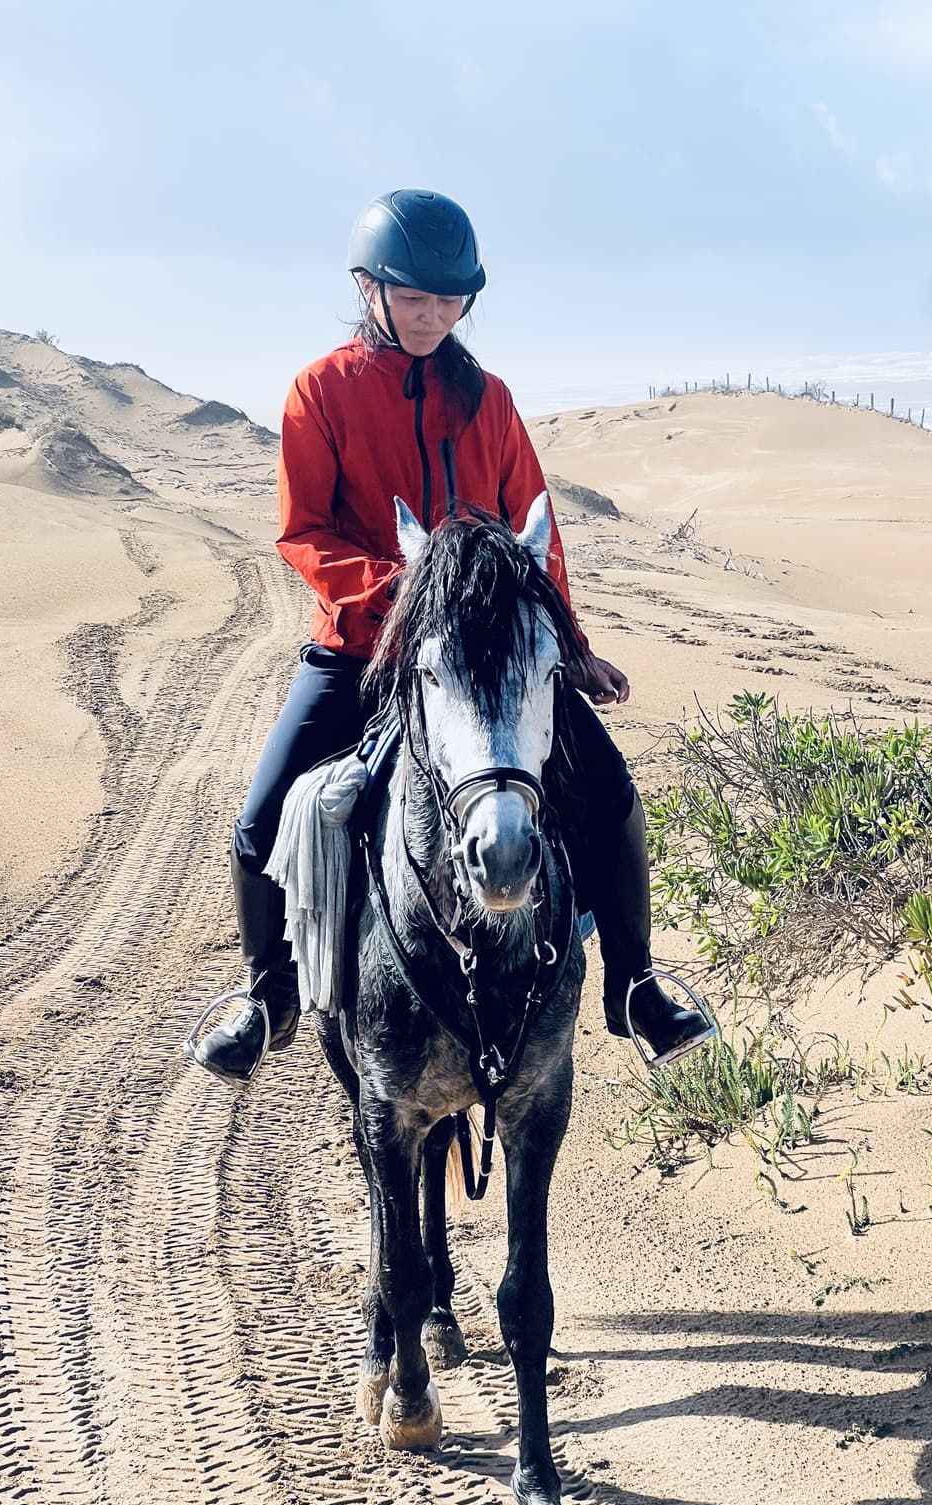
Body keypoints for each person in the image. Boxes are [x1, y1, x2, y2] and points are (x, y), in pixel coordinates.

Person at [193, 189, 712, 1081]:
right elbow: (304, 531)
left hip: (491, 660)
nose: (434, 316)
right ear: (369, 288)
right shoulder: (321, 391)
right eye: (414, 298)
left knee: (612, 797)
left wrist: (570, 646)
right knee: (261, 818)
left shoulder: (490, 400)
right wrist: (403, 595)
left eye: (450, 300)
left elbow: (537, 529)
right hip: (363, 648)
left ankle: (635, 987)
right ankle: (268, 996)